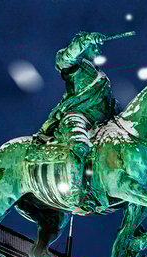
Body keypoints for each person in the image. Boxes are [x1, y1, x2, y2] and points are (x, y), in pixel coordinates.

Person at [36, 31, 129, 212]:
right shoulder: (75, 67)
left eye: (96, 46)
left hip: (100, 125)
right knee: (80, 145)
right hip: (77, 116)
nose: (97, 49)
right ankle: (76, 193)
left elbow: (111, 110)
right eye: (93, 46)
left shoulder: (101, 77)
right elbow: (65, 58)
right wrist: (84, 39)